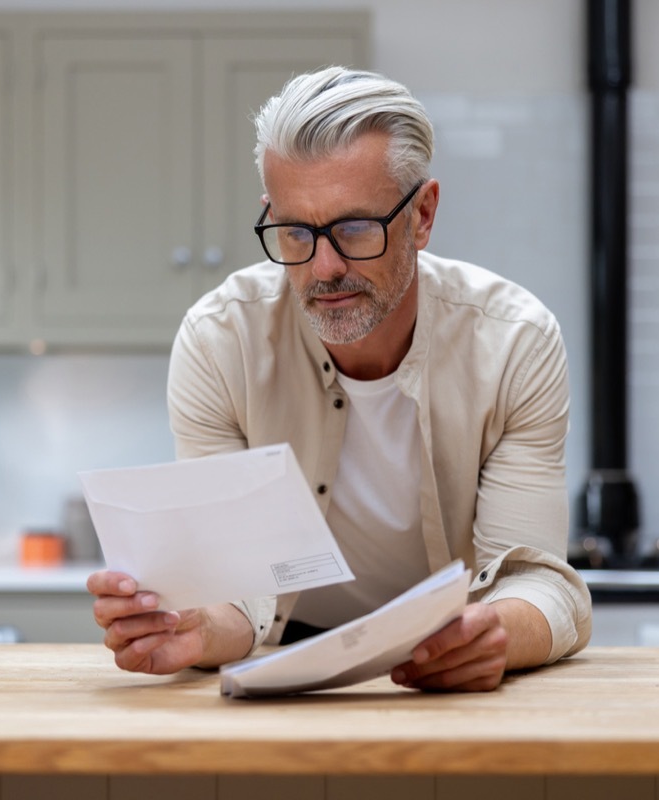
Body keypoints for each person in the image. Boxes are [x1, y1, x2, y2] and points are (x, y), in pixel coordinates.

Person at [86, 66, 592, 692]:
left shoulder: (515, 342)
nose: (324, 267)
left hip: (447, 660)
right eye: (296, 231)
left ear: (423, 215)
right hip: (281, 658)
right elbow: (234, 593)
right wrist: (191, 628)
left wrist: (495, 633)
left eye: (355, 228)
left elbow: (540, 581)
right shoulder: (221, 341)